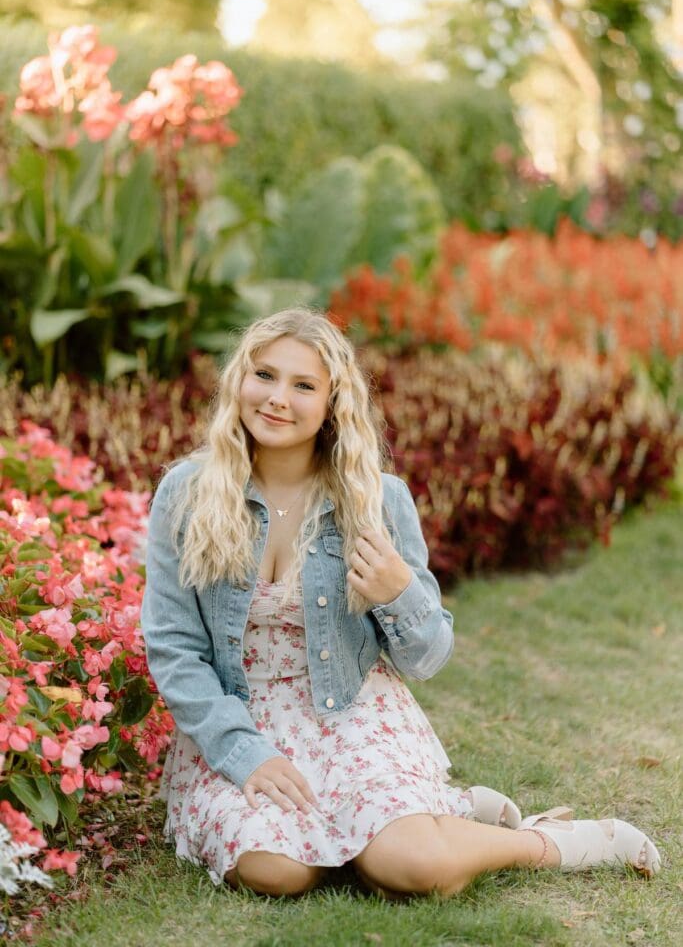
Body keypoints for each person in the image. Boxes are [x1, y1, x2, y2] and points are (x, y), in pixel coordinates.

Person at [140, 307, 661, 898]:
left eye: (303, 385)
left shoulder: (377, 501)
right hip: (240, 717)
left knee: (411, 868)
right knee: (274, 870)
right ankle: (437, 812)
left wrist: (399, 594)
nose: (277, 398)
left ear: (334, 403)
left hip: (351, 712)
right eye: (264, 375)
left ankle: (553, 841)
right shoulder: (188, 494)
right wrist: (243, 752)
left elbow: (428, 656)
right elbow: (174, 646)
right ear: (239, 380)